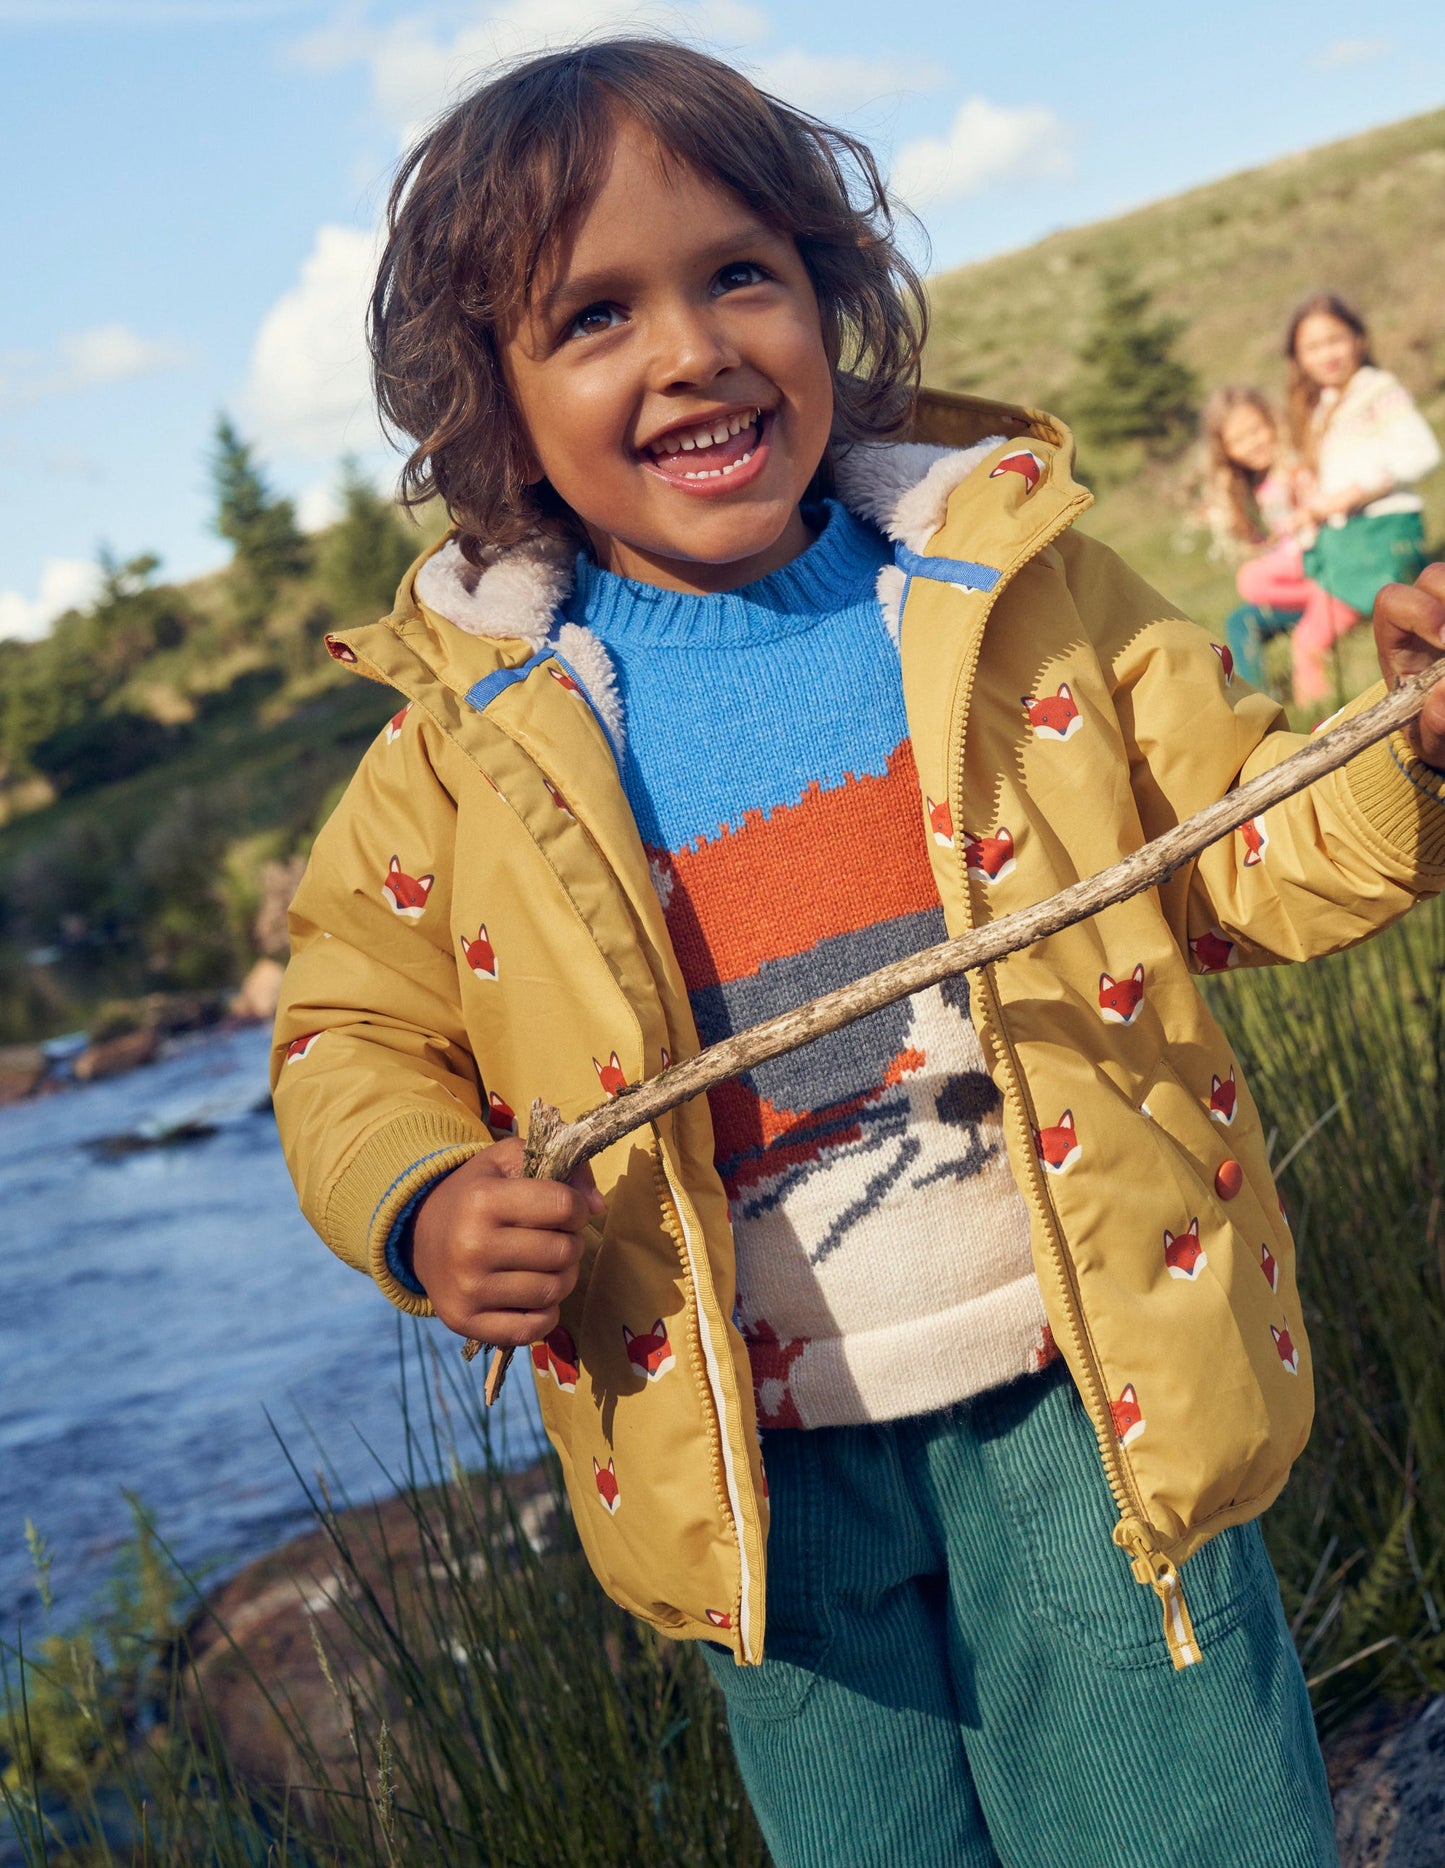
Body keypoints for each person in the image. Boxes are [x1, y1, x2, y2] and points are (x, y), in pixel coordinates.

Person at [270, 40, 1445, 1868]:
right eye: (594, 316)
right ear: (493, 405)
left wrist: (1407, 756)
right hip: (758, 1480)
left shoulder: (1014, 593)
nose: (692, 350)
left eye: (740, 273)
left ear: (828, 293)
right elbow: (349, 1031)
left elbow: (1250, 847)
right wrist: (421, 1201)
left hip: (1095, 1404)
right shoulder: (464, 746)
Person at [1284, 292, 1441, 704]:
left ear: (1358, 339)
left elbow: (1423, 452)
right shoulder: (1322, 408)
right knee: (1264, 585)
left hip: (1380, 530)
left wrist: (1359, 490)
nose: (1327, 354)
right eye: (1313, 347)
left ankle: (1318, 721)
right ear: (1299, 358)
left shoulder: (1376, 389)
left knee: (1307, 640)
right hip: (1348, 534)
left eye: (1335, 339)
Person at [1199, 384, 1314, 691]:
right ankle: (1260, 699)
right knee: (1240, 621)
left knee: (1250, 580)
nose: (1252, 444)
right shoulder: (1251, 486)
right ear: (1224, 450)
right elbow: (1264, 543)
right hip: (1294, 582)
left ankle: (1324, 597)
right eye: (1238, 440)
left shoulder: (1296, 465)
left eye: (1256, 430)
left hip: (1318, 565)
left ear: (1273, 422)